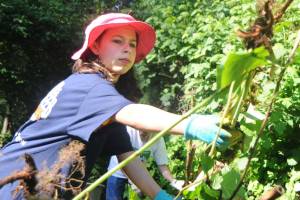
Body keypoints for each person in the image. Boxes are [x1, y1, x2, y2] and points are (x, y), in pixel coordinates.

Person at [0, 13, 231, 200]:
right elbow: (133, 112)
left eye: (132, 44)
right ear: (96, 47)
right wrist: (190, 123)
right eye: (117, 41)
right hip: (14, 188)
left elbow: (128, 157)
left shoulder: (101, 104)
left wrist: (160, 195)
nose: (127, 49)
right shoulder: (88, 86)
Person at [106, 126, 185, 200]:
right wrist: (133, 183)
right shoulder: (128, 131)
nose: (143, 133)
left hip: (138, 175)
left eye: (146, 132)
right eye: (140, 130)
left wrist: (174, 181)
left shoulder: (158, 139)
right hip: (117, 172)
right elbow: (122, 161)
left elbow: (162, 165)